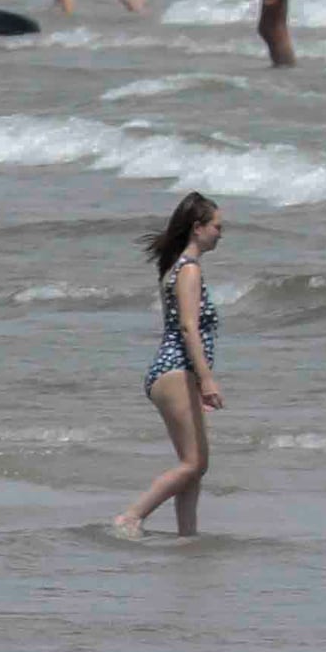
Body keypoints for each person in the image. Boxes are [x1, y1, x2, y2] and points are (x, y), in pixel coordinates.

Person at [115, 193, 224, 539]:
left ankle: (187, 536)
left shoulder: (176, 266)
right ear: (198, 228)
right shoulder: (188, 269)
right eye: (217, 227)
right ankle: (131, 517)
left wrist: (198, 381)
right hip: (176, 369)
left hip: (175, 372)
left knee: (193, 468)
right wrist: (207, 380)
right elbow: (189, 327)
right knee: (194, 464)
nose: (220, 234)